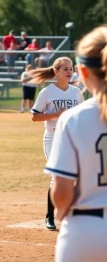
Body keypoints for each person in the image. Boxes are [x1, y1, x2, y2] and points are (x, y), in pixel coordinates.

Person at [44, 26, 107, 261]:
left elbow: (62, 191)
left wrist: (61, 212)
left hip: (85, 231)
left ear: (82, 71)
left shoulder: (74, 118)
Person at [30, 57, 84, 230]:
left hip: (70, 138)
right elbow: (35, 116)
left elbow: (81, 116)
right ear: (56, 72)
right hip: (53, 138)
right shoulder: (47, 92)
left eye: (71, 69)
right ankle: (49, 216)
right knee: (57, 176)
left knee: (73, 176)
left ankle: (72, 212)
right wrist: (56, 115)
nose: (69, 72)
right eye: (65, 69)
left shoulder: (76, 92)